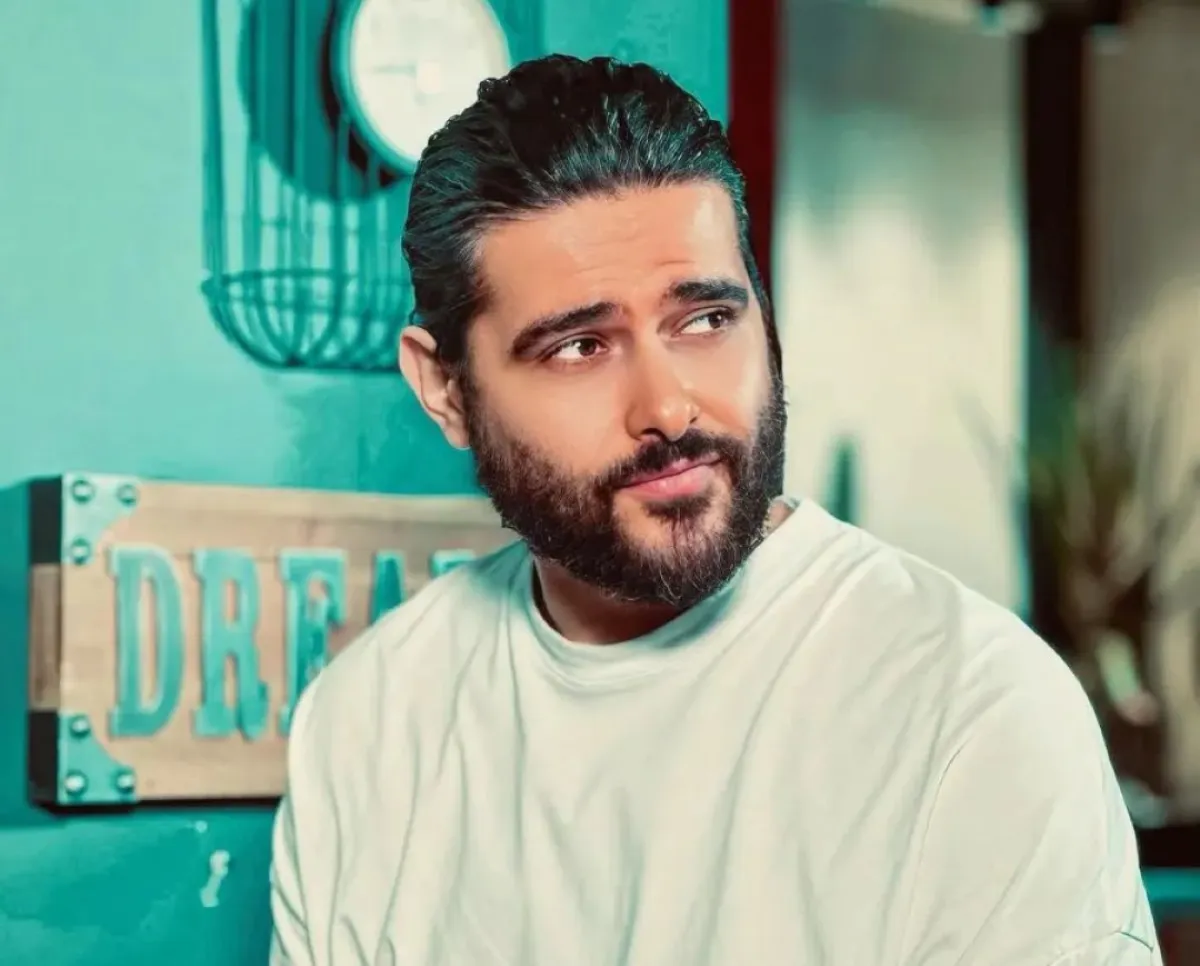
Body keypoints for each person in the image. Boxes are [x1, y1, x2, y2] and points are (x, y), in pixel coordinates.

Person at [268, 54, 1161, 965]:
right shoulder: (366, 727)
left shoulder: (968, 710)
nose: (667, 407)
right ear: (447, 390)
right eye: (579, 346)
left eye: (704, 321)